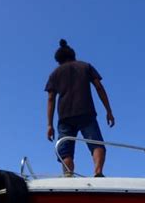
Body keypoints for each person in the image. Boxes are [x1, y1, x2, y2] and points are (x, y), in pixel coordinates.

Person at [45, 39, 115, 177]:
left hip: (65, 116)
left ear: (58, 60)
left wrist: (49, 125)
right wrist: (108, 111)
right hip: (86, 112)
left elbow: (51, 99)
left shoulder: (54, 74)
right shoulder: (85, 66)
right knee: (96, 143)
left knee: (66, 150)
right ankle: (98, 172)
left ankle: (68, 176)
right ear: (73, 55)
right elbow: (99, 87)